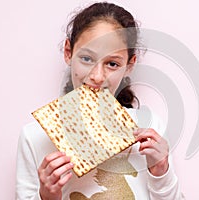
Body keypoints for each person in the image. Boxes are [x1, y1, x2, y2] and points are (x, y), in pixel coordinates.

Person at [16, 2, 185, 200]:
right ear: (68, 52)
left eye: (112, 64)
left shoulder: (149, 130)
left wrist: (161, 171)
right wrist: (46, 196)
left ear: (130, 65)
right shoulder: (34, 137)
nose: (97, 76)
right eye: (87, 58)